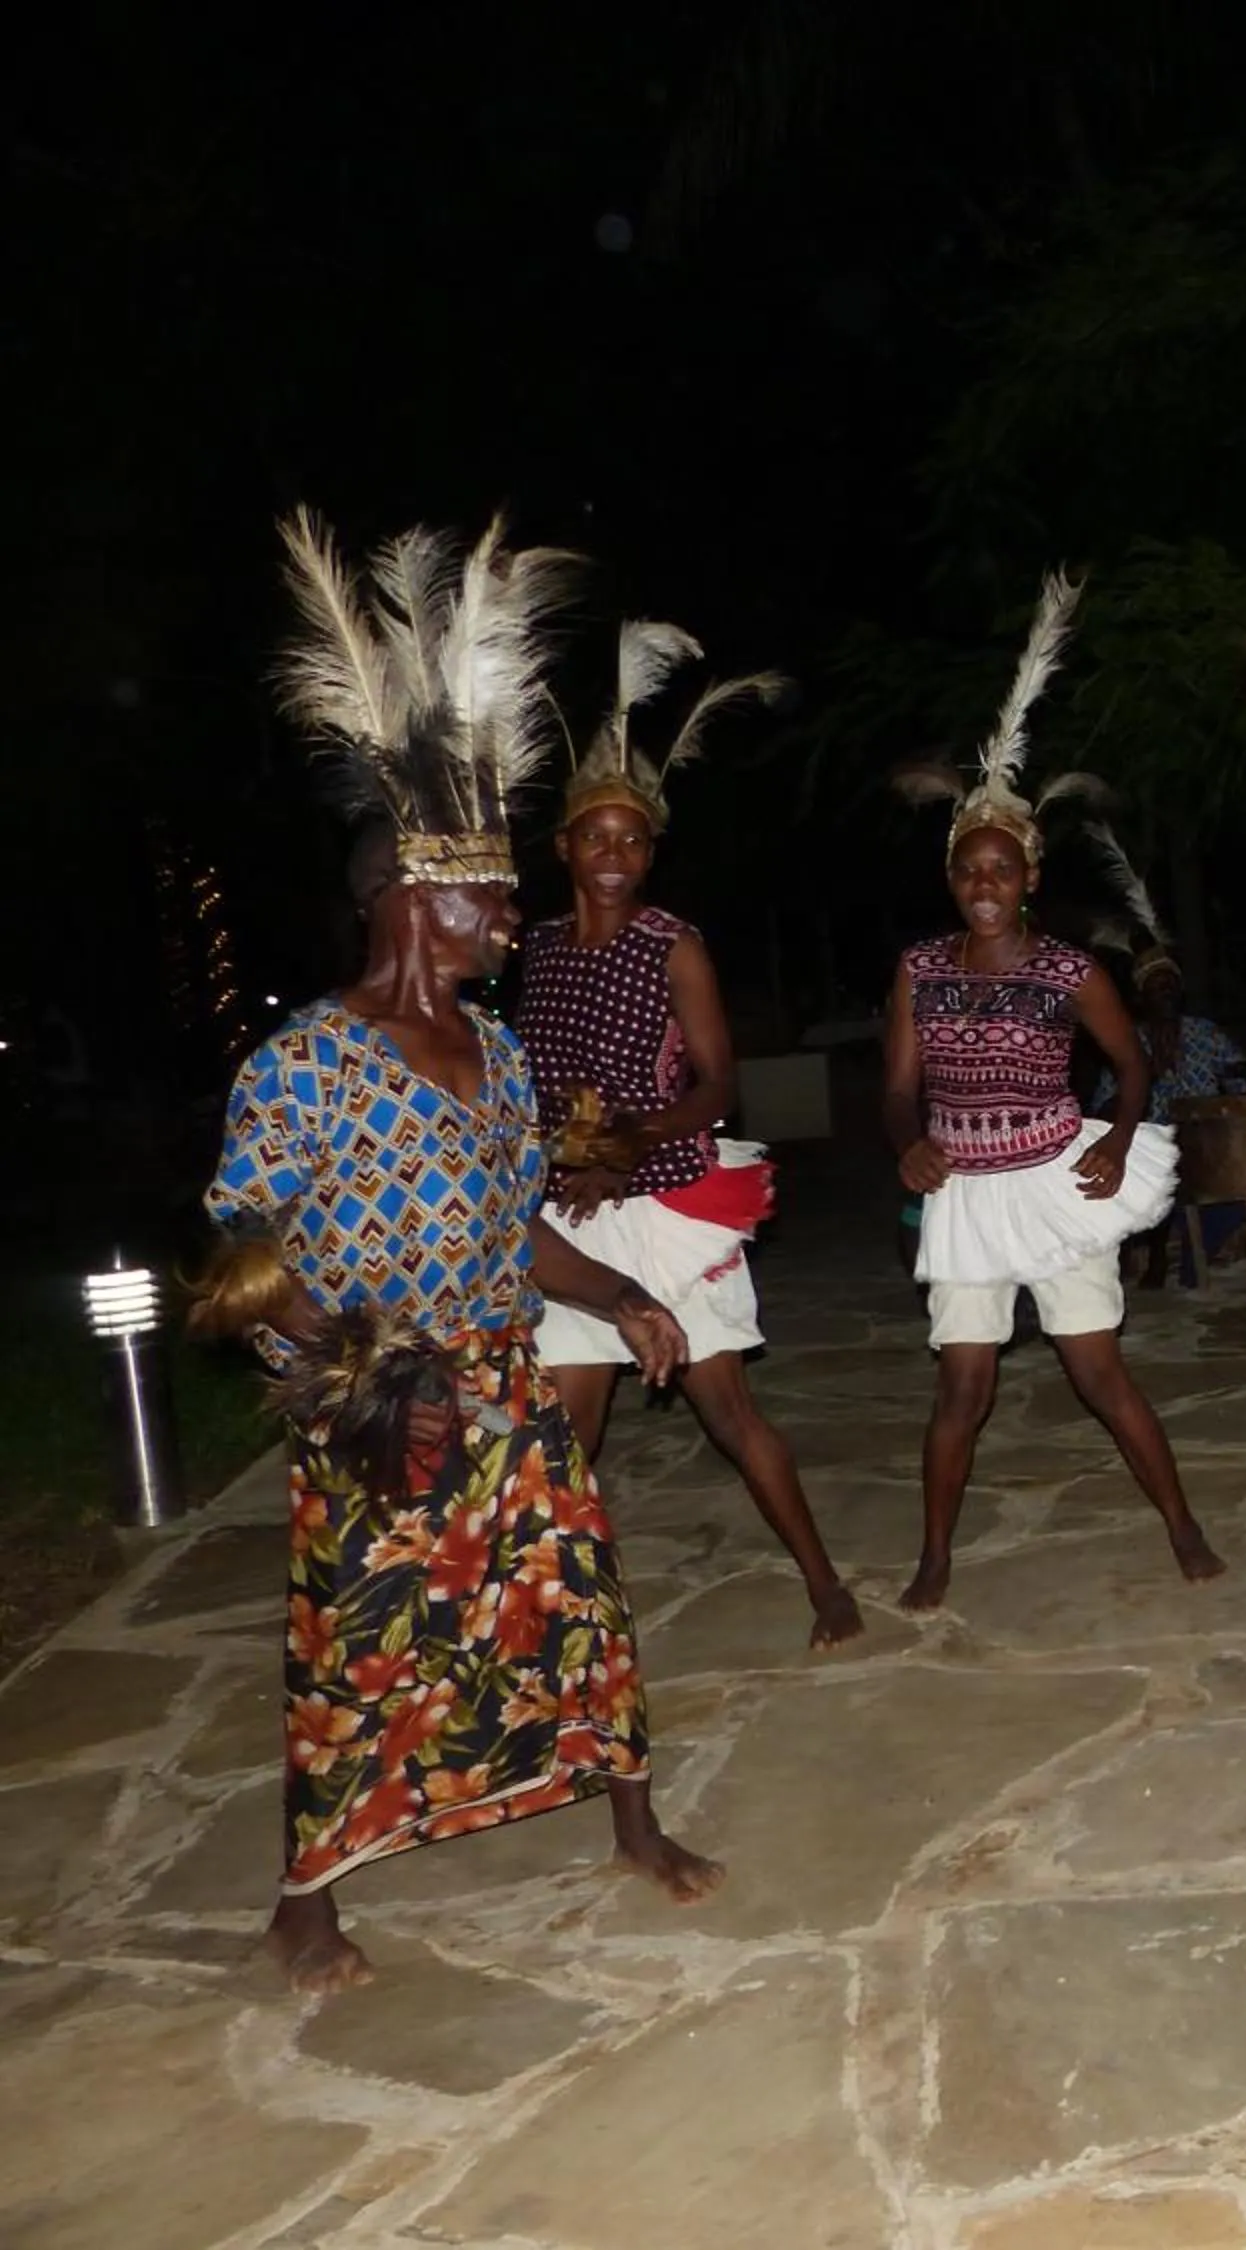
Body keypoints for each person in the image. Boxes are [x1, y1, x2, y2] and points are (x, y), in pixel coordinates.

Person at [200, 513, 721, 1995]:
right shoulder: (304, 1059)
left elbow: (515, 1230)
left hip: (504, 1376)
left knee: (576, 1596)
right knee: (365, 1641)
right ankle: (309, 1893)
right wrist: (361, 1377)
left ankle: (631, 1819)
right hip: (376, 1392)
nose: (509, 913)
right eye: (487, 891)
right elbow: (242, 1260)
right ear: (412, 893)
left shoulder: (496, 1052)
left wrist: (620, 1292)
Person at [515, 622, 862, 1647]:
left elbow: (716, 1085)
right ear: (565, 849)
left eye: (632, 840)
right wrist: (559, 1160)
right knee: (570, 1432)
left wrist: (628, 1141)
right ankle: (567, 1632)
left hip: (666, 1200)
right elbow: (531, 1085)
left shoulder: (678, 947)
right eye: (596, 838)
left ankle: (823, 1582)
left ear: (650, 851)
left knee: (728, 1413)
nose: (614, 855)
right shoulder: (535, 950)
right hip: (573, 1222)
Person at [887, 573, 1222, 1602]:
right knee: (965, 1385)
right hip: (967, 1193)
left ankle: (1184, 1528)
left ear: (1029, 877)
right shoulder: (918, 968)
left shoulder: (1073, 971)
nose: (982, 886)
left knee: (1098, 1372)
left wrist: (1119, 1138)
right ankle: (935, 1554)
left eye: (1000, 871)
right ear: (953, 879)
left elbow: (1132, 1066)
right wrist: (905, 1138)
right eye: (967, 872)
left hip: (1056, 1174)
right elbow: (896, 1087)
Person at [1078, 823, 1246, 1286]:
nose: (1167, 993)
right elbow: (1103, 1110)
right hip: (1146, 1151)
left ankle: (1188, 1248)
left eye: (1171, 984)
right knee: (1148, 1169)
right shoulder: (1126, 1037)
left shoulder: (1203, 1034)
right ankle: (1162, 1251)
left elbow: (1240, 1084)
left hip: (1204, 1147)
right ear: (1141, 996)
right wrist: (1144, 1080)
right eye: (1157, 987)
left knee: (1235, 1170)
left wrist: (1235, 1097)